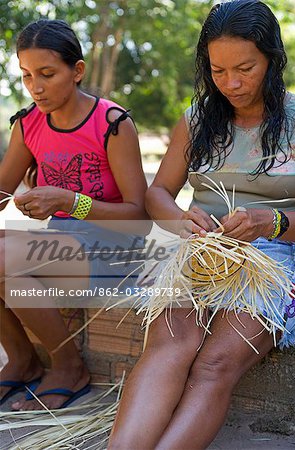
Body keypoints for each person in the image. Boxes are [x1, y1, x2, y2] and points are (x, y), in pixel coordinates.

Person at [108, 1, 295, 449]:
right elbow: (157, 194)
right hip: (200, 251)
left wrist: (270, 221)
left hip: (278, 258)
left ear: (272, 58)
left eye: (246, 68)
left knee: (214, 365)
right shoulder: (198, 119)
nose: (231, 83)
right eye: (218, 70)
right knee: (168, 348)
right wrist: (179, 220)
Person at [0, 19, 148, 411]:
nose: (36, 87)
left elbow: (139, 214)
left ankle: (68, 367)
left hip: (118, 248)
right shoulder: (28, 124)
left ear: (77, 71)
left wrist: (69, 200)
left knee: (4, 259)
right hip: (60, 245)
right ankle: (22, 360)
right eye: (27, 76)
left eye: (47, 74)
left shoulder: (112, 124)